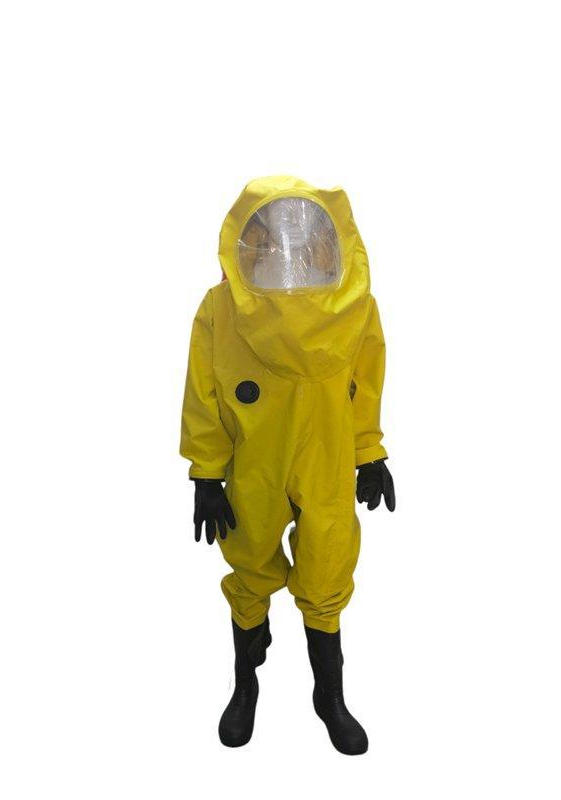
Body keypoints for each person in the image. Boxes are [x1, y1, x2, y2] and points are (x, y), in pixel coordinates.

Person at [180, 176, 395, 755]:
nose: (289, 250)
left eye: (304, 239)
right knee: (249, 559)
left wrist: (369, 452)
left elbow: (365, 383)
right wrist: (206, 472)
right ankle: (246, 682)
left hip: (326, 455)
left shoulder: (354, 309)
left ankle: (330, 697)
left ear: (330, 243)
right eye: (271, 239)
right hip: (256, 460)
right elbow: (204, 392)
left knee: (327, 564)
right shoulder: (221, 310)